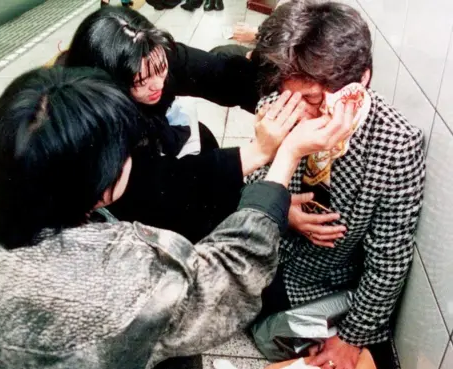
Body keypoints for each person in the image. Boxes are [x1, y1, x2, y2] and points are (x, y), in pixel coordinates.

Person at [0, 66, 354, 369]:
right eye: (126, 151)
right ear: (102, 184)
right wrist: (286, 158)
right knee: (183, 360)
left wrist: (257, 155)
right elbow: (230, 279)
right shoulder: (123, 274)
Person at [247, 0, 426, 369]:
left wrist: (351, 338)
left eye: (313, 100)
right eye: (290, 97)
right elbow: (253, 190)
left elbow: (389, 258)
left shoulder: (395, 144)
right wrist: (285, 211)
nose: (300, 114)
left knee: (267, 337)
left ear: (361, 81)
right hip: (277, 252)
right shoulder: (282, 108)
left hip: (328, 275)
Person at [62, 6, 291, 242]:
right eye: (140, 81)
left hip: (156, 149)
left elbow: (219, 74)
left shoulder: (151, 56)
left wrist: (283, 95)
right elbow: (160, 186)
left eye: (161, 68)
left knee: (204, 139)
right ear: (110, 84)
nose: (157, 85)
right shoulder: (91, 122)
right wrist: (258, 157)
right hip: (131, 203)